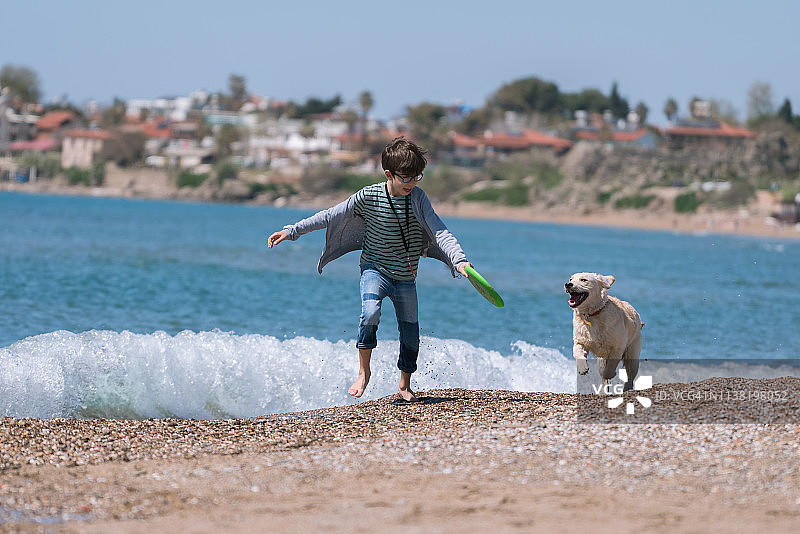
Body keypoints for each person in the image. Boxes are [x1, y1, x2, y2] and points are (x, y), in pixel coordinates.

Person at [267, 137, 473, 402]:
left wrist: (459, 260)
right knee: (370, 312)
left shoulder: (418, 199)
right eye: (406, 178)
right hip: (375, 270)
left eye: (416, 177)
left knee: (410, 334)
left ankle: (404, 384)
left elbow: (439, 230)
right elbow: (330, 215)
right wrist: (291, 231)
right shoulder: (368, 196)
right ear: (389, 174)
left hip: (406, 277)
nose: (411, 183)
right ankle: (364, 372)